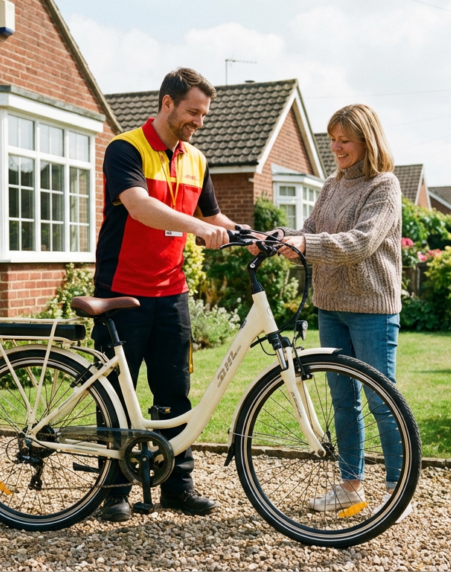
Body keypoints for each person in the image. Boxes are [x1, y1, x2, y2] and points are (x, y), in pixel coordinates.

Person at [91, 68, 244, 522]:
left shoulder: (197, 159)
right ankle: (113, 491)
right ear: (167, 104)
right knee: (116, 394)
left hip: (171, 291)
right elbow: (139, 206)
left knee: (175, 393)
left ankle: (178, 486)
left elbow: (213, 217)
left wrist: (255, 237)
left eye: (204, 114)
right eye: (193, 112)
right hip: (121, 291)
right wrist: (197, 227)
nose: (199, 120)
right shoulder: (125, 149)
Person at [251, 103, 410, 519]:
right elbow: (309, 232)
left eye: (345, 141)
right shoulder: (331, 185)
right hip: (331, 307)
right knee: (343, 400)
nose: (337, 148)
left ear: (367, 141)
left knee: (382, 400)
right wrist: (276, 238)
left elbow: (360, 242)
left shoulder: (385, 186)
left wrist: (306, 244)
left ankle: (397, 489)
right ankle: (350, 487)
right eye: (333, 140)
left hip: (371, 309)